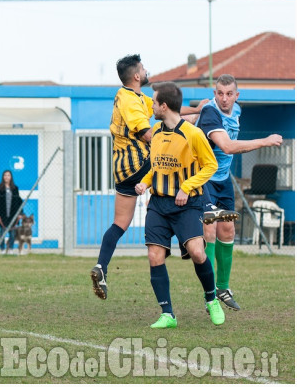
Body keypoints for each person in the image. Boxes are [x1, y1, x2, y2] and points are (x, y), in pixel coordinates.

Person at [135, 81, 224, 329]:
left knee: (197, 252)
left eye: (154, 102)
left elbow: (210, 166)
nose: (151, 106)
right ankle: (168, 314)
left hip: (188, 204)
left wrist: (186, 187)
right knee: (155, 256)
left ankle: (211, 299)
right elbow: (156, 168)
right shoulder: (156, 132)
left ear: (164, 106)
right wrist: (144, 183)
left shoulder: (193, 134)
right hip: (159, 205)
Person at [193, 74, 283, 311]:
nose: (224, 99)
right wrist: (265, 140)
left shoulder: (237, 110)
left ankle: (223, 288)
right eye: (220, 94)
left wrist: (190, 114)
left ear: (237, 95)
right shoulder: (211, 113)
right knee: (210, 229)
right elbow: (228, 146)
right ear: (215, 93)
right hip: (205, 179)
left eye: (229, 94)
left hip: (223, 180)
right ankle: (210, 294)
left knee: (228, 229)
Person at [90, 54, 153, 300]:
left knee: (120, 223)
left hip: (122, 170)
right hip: (139, 163)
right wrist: (175, 138)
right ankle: (194, 227)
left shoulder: (133, 97)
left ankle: (101, 267)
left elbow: (165, 109)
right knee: (178, 159)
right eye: (144, 68)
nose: (147, 71)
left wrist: (198, 110)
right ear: (137, 75)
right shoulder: (129, 101)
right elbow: (147, 134)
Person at [0, 169, 23, 253]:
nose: (7, 177)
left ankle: (10, 249)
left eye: (8, 175)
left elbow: (18, 202)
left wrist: (20, 213)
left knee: (12, 233)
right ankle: (2, 249)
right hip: (2, 214)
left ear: (11, 177)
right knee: (2, 233)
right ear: (3, 177)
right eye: (5, 175)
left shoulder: (15, 188)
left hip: (12, 214)